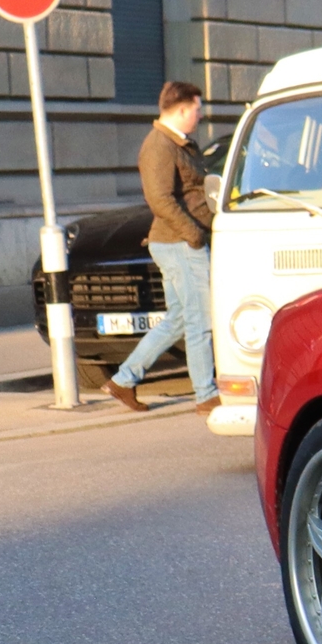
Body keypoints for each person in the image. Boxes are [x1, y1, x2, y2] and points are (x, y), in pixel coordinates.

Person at [107, 81, 219, 414]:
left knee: (179, 319)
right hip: (180, 243)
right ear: (182, 109)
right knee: (200, 319)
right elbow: (160, 199)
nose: (200, 115)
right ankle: (206, 395)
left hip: (179, 241)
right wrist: (194, 235)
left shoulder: (180, 144)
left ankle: (123, 381)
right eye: (197, 109)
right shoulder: (158, 146)